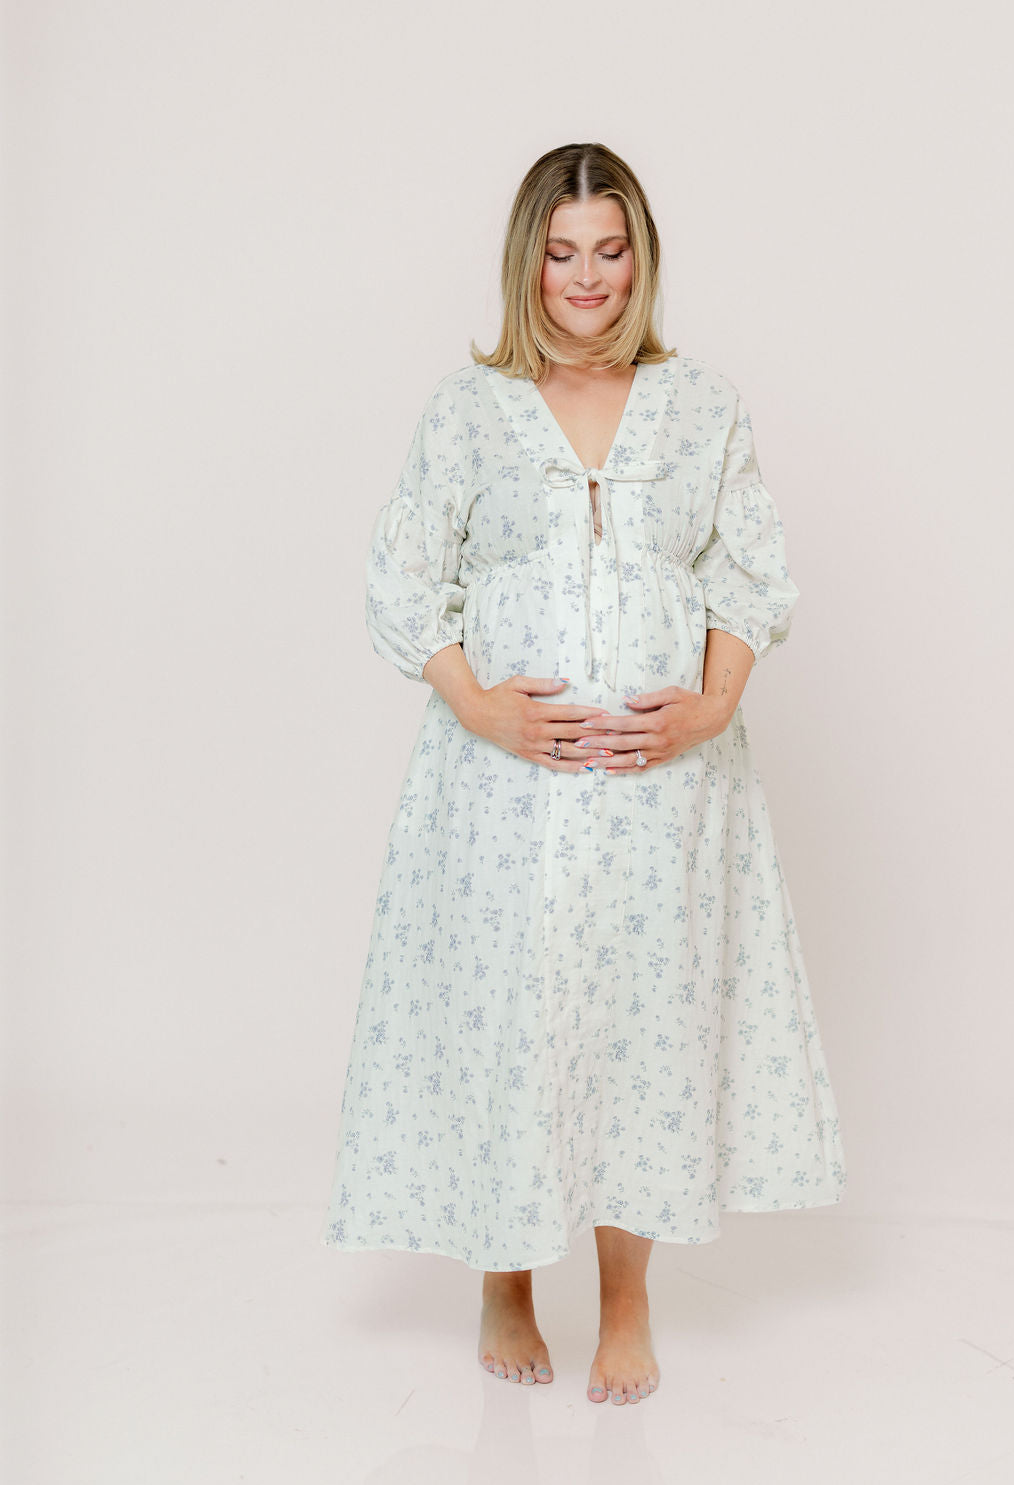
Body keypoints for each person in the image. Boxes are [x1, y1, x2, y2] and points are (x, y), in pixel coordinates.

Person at [321, 142, 847, 1407]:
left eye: (610, 249)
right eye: (562, 252)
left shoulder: (701, 405)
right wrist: (480, 706)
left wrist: (710, 706)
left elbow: (747, 571)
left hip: (662, 793)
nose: (587, 276)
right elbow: (403, 578)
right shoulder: (470, 408)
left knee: (642, 1028)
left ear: (641, 259)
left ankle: (625, 1298)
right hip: (500, 794)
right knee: (508, 1017)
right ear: (528, 262)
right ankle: (502, 1278)